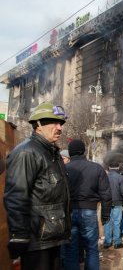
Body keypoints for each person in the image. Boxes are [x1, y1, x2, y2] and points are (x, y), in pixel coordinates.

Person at [4, 101, 70, 270]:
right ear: (38, 125)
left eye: (61, 123)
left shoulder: (51, 153)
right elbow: (16, 197)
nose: (60, 128)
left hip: (51, 236)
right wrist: (19, 236)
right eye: (54, 122)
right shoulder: (27, 152)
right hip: (36, 241)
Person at [63, 139, 112, 270]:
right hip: (89, 213)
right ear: (84, 151)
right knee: (91, 249)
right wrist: (105, 215)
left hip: (69, 213)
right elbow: (106, 194)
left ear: (70, 152)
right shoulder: (96, 168)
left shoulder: (63, 169)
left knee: (71, 250)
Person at [103, 162, 123, 249]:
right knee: (117, 223)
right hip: (117, 203)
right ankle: (117, 243)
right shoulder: (120, 177)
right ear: (118, 168)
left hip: (106, 203)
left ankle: (107, 242)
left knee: (107, 222)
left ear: (109, 167)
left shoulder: (104, 177)